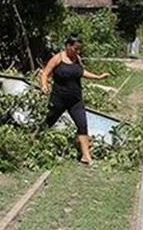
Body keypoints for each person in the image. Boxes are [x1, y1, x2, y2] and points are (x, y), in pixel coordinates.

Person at [40, 34, 109, 165]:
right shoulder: (57, 58)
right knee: (48, 122)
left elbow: (82, 72)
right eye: (75, 48)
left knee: (82, 125)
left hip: (75, 101)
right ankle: (33, 141)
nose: (77, 51)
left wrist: (98, 77)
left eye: (79, 49)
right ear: (67, 46)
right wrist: (44, 85)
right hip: (58, 99)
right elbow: (45, 73)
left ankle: (86, 156)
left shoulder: (77, 59)